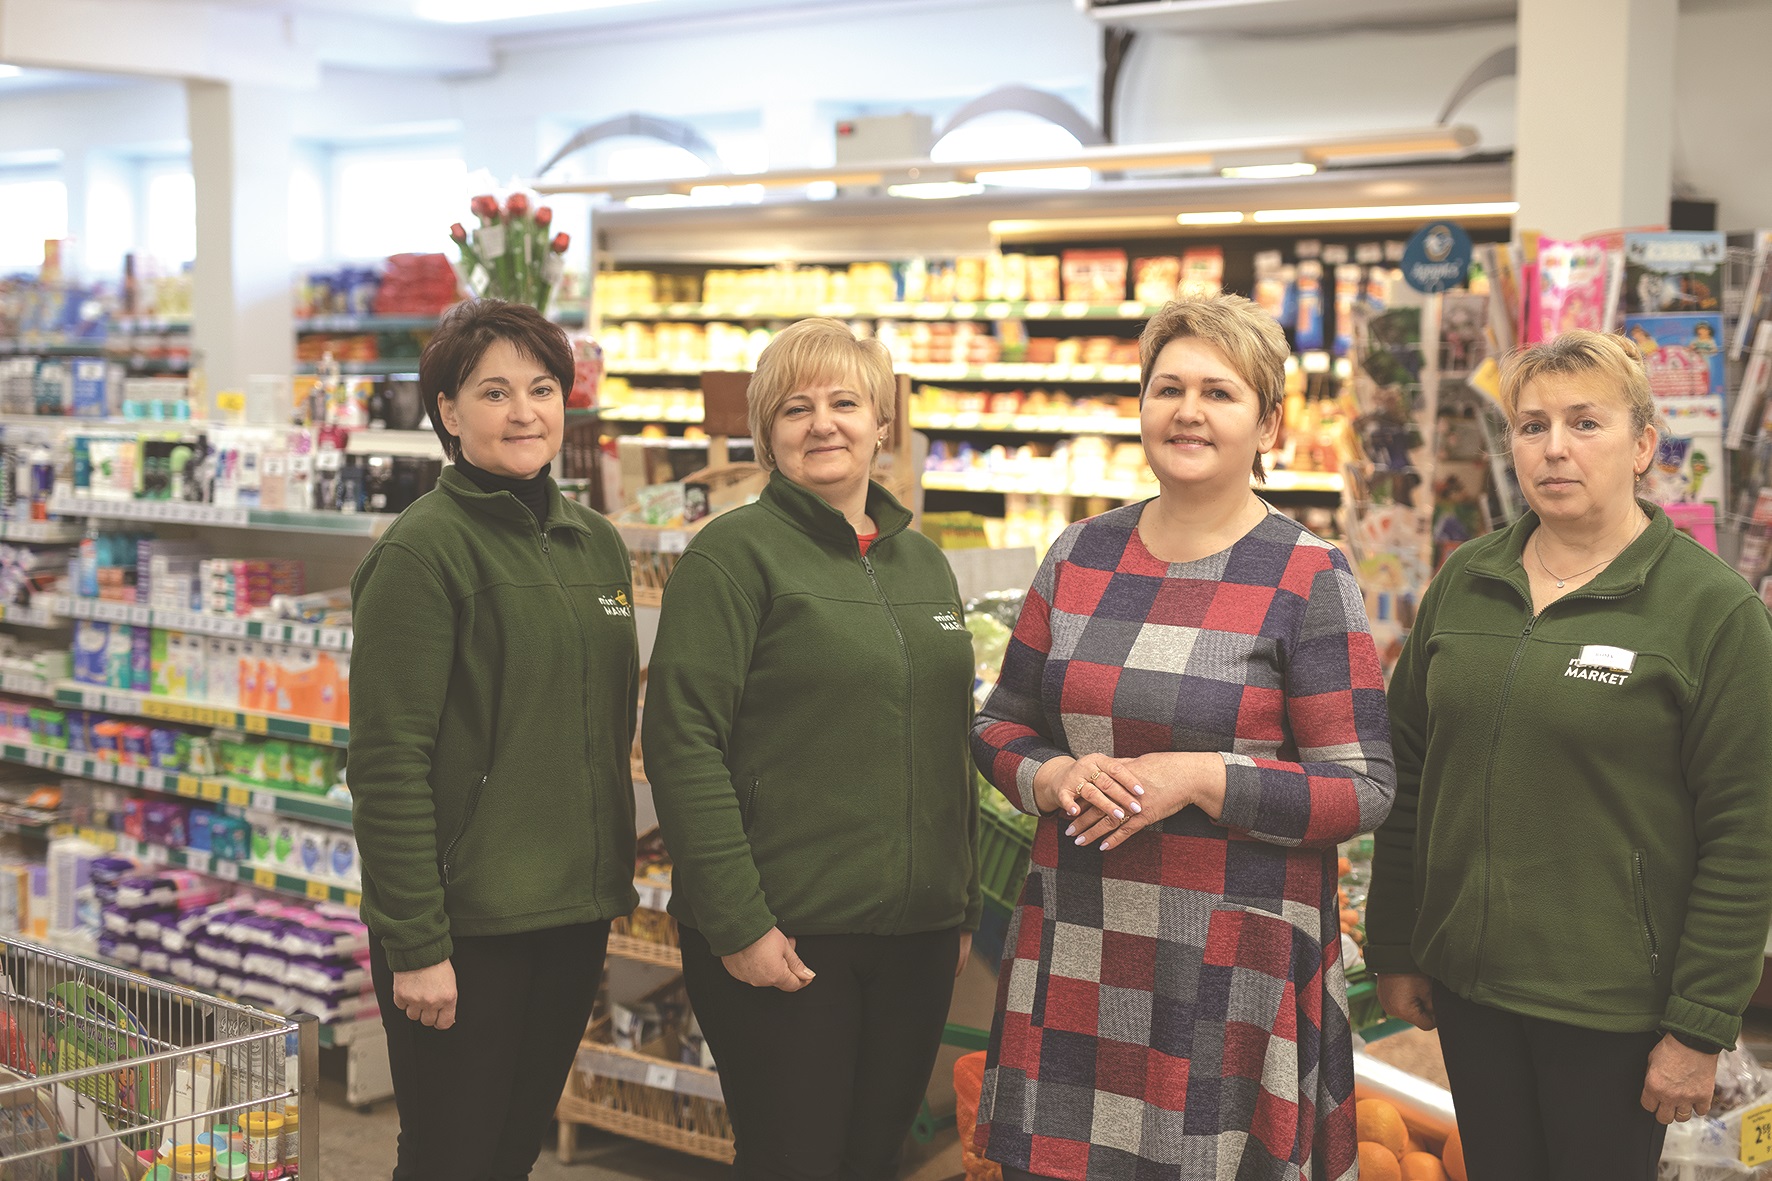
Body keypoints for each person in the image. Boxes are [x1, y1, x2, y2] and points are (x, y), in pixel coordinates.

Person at [970, 293, 1396, 1181]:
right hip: (1084, 933)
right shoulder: (1080, 553)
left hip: (1229, 966)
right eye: (1168, 388)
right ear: (1142, 406)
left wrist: (1205, 776)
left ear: (1269, 423)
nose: (1188, 411)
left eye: (1220, 392)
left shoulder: (1308, 574)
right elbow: (999, 722)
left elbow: (1361, 787)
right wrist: (1050, 777)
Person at [1367, 329, 1772, 1181]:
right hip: (1472, 995)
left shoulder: (1713, 613)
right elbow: (1406, 772)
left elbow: (1748, 832)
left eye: (1586, 423)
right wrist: (1397, 940)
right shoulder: (1465, 579)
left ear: (1644, 446)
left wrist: (1699, 1024)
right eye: (1531, 424)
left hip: (1614, 1012)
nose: (1554, 447)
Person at [643, 317, 980, 1181]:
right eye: (796, 408)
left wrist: (958, 896)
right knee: (793, 1162)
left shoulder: (924, 566)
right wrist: (739, 919)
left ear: (883, 423)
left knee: (874, 1160)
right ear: (766, 434)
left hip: (916, 931)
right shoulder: (732, 555)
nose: (822, 423)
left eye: (844, 401)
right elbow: (683, 742)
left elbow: (945, 741)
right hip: (787, 934)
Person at [350, 298, 640, 1180]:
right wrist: (417, 940)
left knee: (509, 1154)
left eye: (543, 388)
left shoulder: (595, 544)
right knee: (450, 1158)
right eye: (495, 391)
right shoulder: (422, 554)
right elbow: (387, 764)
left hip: (570, 911)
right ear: (448, 411)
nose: (524, 412)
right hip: (465, 924)